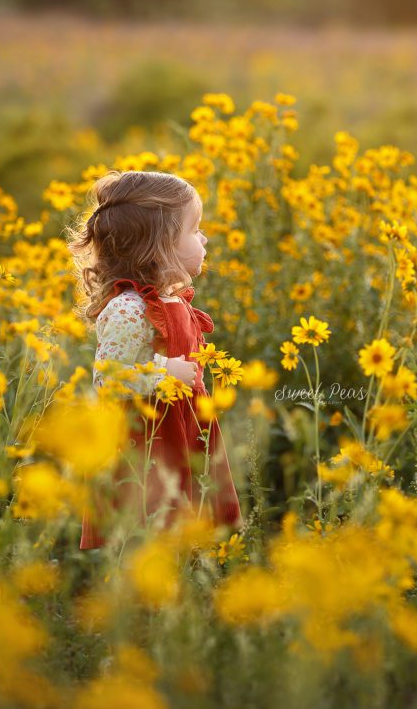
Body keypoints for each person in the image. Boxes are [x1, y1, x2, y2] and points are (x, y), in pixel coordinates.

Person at [65, 170, 243, 548]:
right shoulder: (129, 308)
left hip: (184, 424)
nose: (204, 237)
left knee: (192, 518)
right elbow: (108, 378)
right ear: (160, 245)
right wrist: (165, 371)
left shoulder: (174, 301)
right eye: (194, 230)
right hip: (148, 439)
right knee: (151, 524)